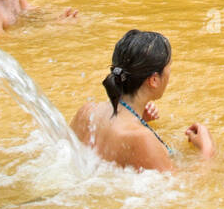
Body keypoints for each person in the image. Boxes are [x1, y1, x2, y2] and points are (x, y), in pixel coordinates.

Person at [70, 30, 214, 173]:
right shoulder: (141, 138)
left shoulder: (87, 112)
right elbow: (184, 188)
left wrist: (139, 120)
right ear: (154, 80)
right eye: (169, 66)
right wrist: (206, 149)